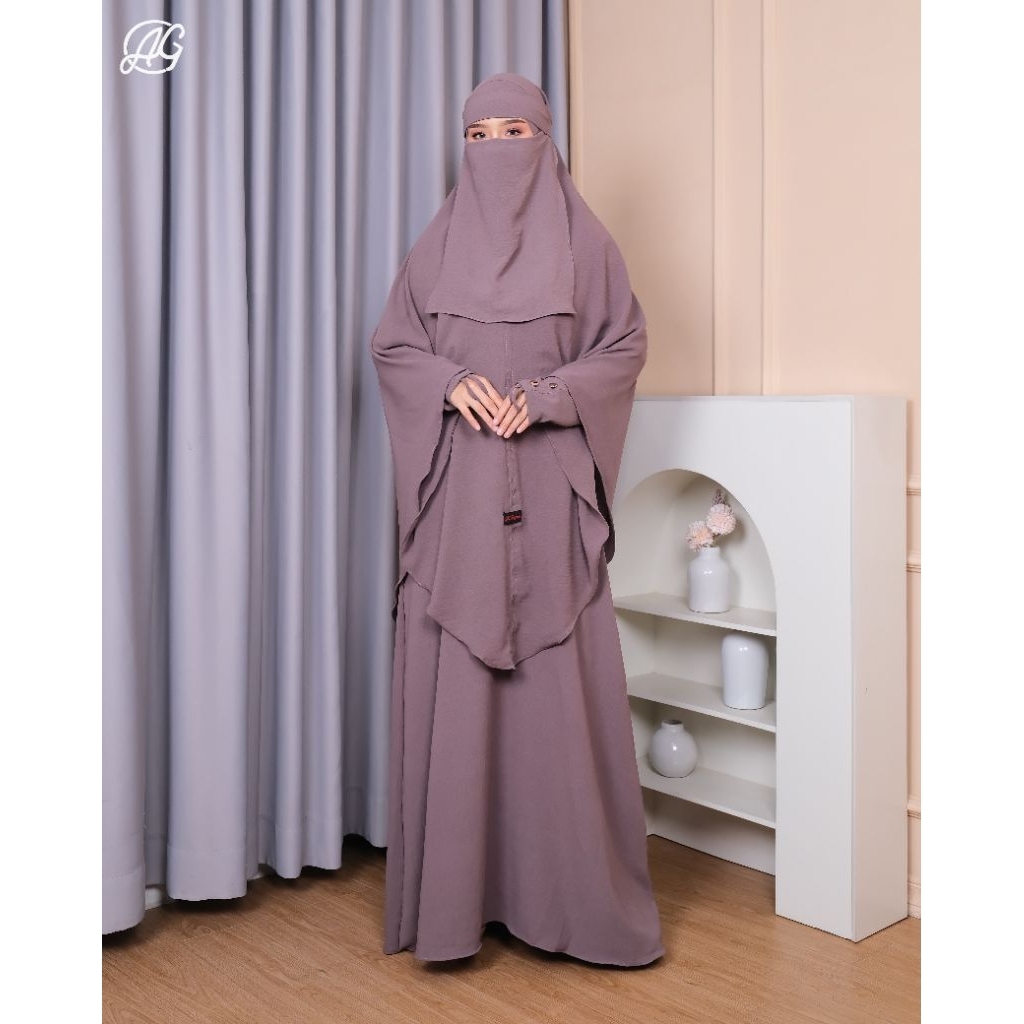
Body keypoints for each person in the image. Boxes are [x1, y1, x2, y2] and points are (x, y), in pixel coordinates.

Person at [370, 72, 664, 967]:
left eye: (514, 131)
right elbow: (395, 345)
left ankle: (571, 904)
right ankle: (459, 907)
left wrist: (549, 396)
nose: (497, 149)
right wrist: (448, 382)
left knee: (556, 695)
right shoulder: (435, 246)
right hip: (460, 498)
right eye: (479, 134)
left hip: (549, 494)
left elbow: (624, 345)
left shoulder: (588, 243)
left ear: (546, 138)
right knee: (461, 681)